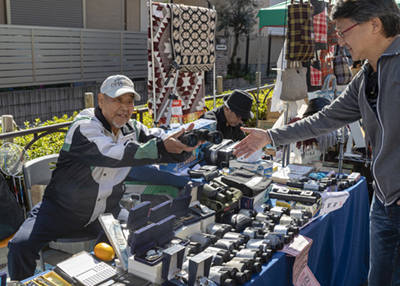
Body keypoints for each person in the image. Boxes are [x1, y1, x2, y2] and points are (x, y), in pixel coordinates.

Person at [234, 1, 400, 285]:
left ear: (375, 25)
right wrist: (271, 136)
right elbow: (325, 118)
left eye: (343, 31)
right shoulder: (366, 76)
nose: (339, 40)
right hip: (383, 200)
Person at [7, 75, 200, 281]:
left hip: (107, 210)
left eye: (129, 101)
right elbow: (112, 154)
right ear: (101, 101)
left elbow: (158, 141)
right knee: (20, 246)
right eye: (118, 100)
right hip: (61, 210)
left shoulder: (133, 128)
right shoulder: (85, 126)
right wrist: (161, 147)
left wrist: (181, 146)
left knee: (146, 234)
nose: (125, 107)